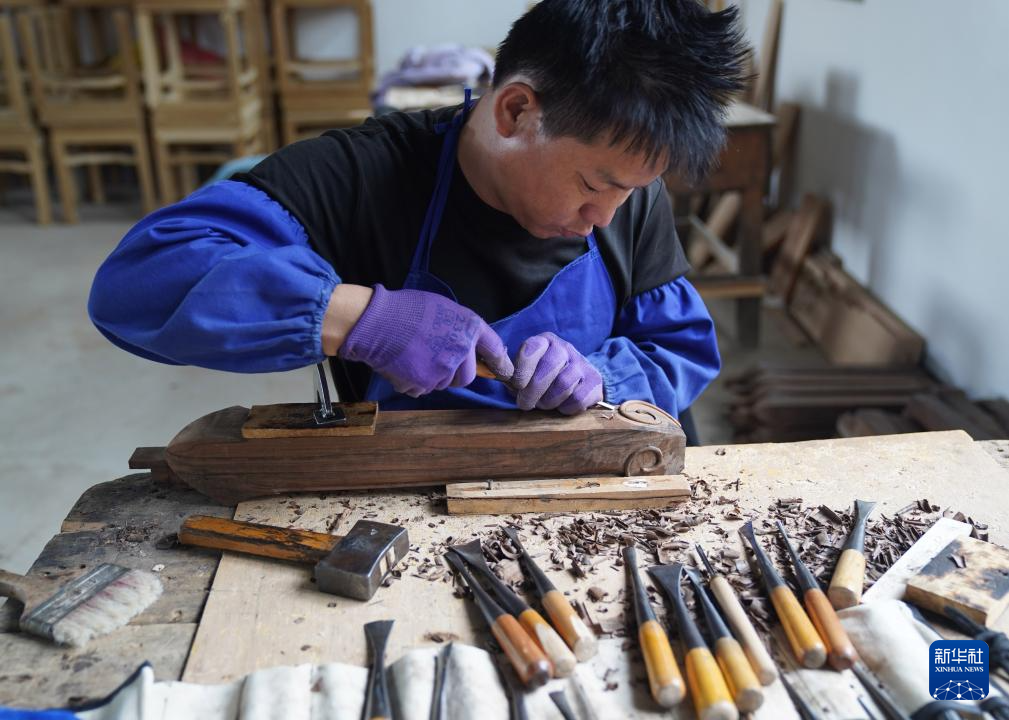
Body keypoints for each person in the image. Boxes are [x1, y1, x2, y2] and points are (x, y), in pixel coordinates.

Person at [88, 0, 747, 438]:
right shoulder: (358, 176)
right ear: (516, 111)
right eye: (593, 185)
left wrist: (606, 378)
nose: (603, 216)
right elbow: (138, 284)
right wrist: (358, 318)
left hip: (584, 489)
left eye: (631, 191)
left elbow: (678, 348)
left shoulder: (627, 200)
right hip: (409, 498)